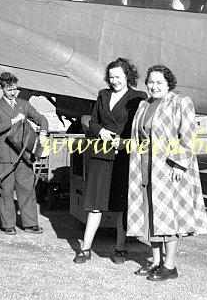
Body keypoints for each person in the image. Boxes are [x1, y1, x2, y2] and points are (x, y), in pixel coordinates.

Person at [127, 65, 207, 281]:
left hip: (168, 168)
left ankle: (170, 266)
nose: (154, 87)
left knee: (168, 215)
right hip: (144, 167)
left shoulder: (180, 102)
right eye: (151, 82)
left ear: (169, 83)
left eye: (159, 82)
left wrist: (180, 165)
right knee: (150, 214)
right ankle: (156, 262)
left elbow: (188, 135)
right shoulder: (144, 105)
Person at [73, 58, 147, 264]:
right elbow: (92, 120)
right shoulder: (103, 95)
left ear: (128, 77)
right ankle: (85, 249)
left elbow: (141, 127)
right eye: (111, 77)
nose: (114, 81)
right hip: (101, 155)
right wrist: (101, 131)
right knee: (95, 205)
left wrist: (124, 143)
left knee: (121, 205)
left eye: (118, 77)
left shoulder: (138, 97)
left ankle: (120, 249)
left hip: (124, 157)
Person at [0, 72, 49, 235]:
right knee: (6, 191)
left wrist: (43, 133)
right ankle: (9, 224)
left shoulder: (24, 104)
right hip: (5, 155)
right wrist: (14, 121)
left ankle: (30, 224)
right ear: (2, 88)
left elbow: (42, 119)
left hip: (24, 155)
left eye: (15, 89)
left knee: (27, 189)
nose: (13, 93)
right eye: (9, 90)